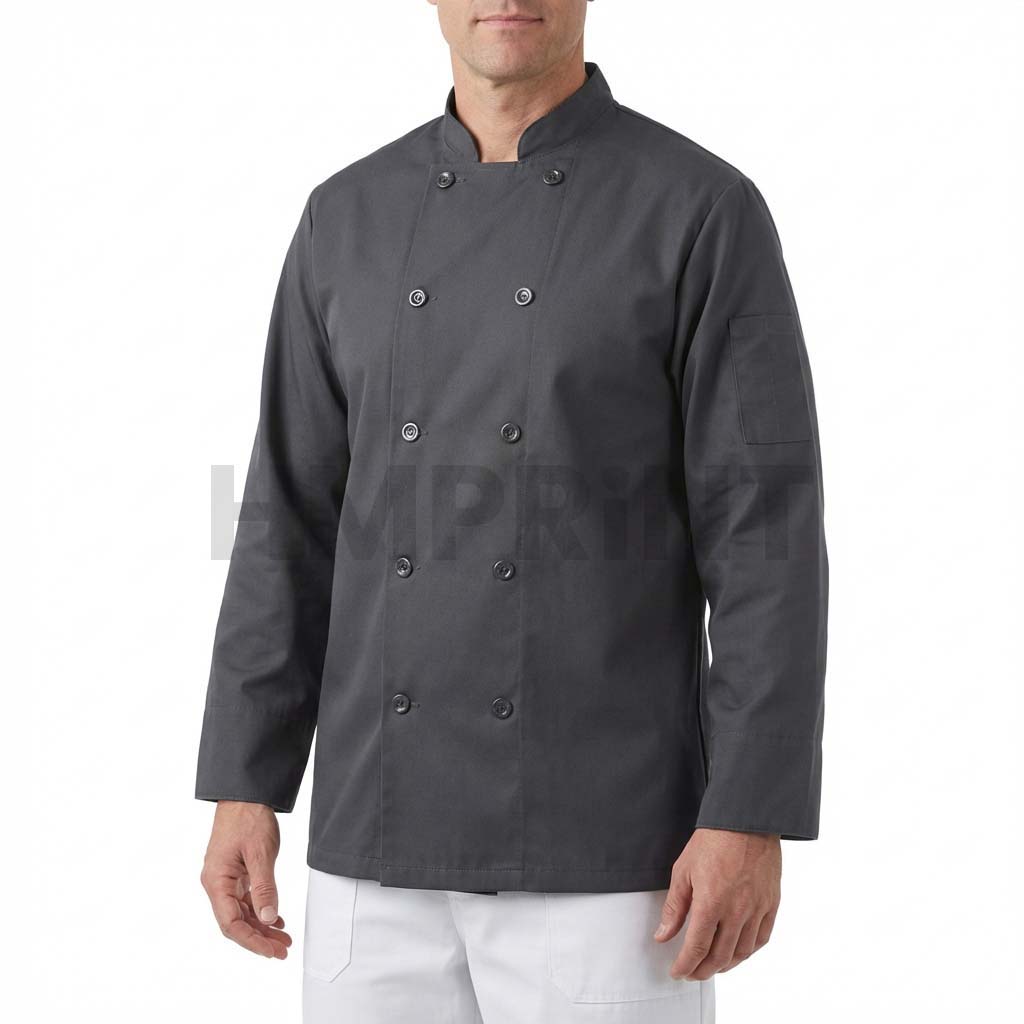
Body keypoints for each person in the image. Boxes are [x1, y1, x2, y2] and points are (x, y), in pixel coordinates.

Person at [196, 2, 828, 1021]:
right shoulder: (344, 215)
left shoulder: (700, 208)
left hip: (613, 861)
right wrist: (246, 781)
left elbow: (766, 542)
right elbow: (287, 518)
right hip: (372, 846)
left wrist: (748, 811)